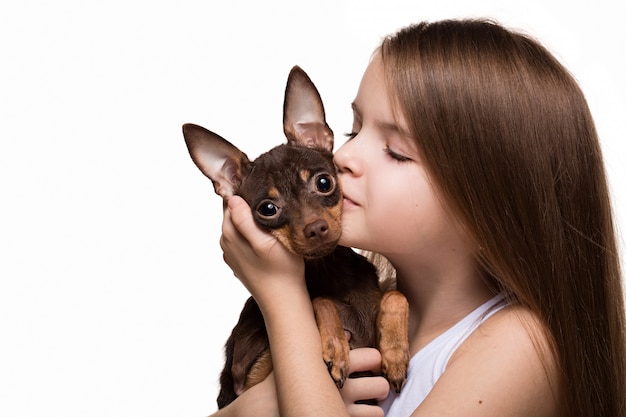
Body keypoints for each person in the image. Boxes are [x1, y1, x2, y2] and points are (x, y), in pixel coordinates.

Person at [213, 19, 626, 417]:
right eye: (355, 130)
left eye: (396, 151)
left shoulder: (521, 347)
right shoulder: (367, 306)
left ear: (487, 200)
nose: (342, 157)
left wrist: (280, 297)